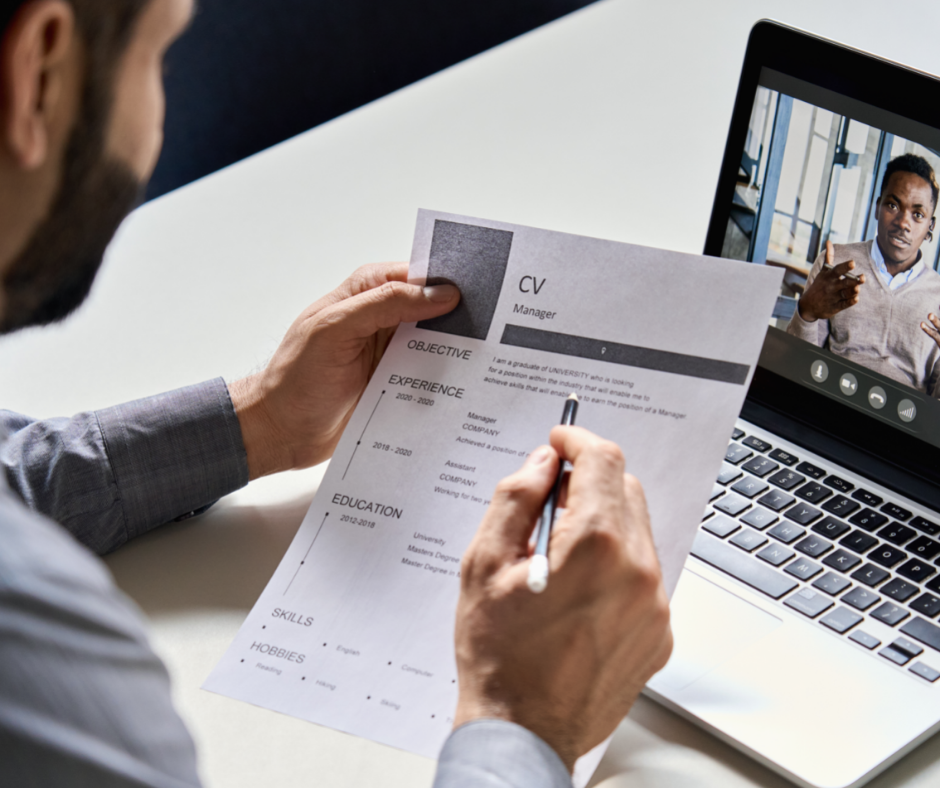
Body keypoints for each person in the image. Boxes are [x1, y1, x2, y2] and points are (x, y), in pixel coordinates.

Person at [0, 1, 673, 786]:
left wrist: (262, 420)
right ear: (38, 70)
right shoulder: (44, 668)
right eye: (161, 58)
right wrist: (522, 718)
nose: (157, 123)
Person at [787, 153, 940, 397]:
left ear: (930, 226)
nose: (903, 223)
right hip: (832, 398)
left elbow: (935, 404)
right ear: (877, 207)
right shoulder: (834, 264)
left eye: (918, 215)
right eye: (893, 205)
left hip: (904, 416)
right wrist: (807, 312)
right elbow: (798, 364)